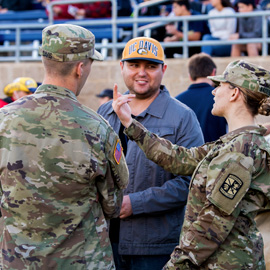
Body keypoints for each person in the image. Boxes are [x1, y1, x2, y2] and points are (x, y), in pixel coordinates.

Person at [112, 59, 270, 269]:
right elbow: (180, 159)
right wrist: (130, 124)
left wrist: (175, 266)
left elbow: (212, 224)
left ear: (234, 93)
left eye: (219, 86)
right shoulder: (232, 144)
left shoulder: (242, 151)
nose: (213, 92)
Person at [0, 24, 129, 269]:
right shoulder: (97, 129)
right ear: (81, 68)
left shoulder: (4, 119)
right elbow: (112, 204)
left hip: (17, 262)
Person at [97, 36, 204, 270]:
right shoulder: (105, 112)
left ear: (163, 69)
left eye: (151, 66)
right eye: (134, 65)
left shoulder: (182, 117)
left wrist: (134, 204)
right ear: (122, 67)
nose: (142, 73)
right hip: (104, 243)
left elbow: (192, 182)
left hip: (155, 248)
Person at [175, 53, 227, 142]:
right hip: (216, 154)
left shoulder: (176, 101)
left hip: (185, 155)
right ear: (213, 72)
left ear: (190, 76)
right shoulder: (222, 98)